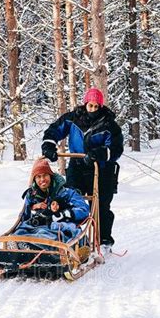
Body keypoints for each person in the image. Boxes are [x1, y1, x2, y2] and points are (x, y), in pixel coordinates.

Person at [41, 87, 123, 248]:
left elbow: (116, 148)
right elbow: (54, 131)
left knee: (100, 206)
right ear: (85, 104)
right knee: (70, 201)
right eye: (90, 105)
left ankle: (104, 241)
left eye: (96, 106)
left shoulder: (108, 124)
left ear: (100, 107)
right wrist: (49, 146)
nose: (92, 109)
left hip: (101, 169)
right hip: (77, 166)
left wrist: (99, 153)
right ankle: (70, 237)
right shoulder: (72, 119)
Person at [15, 157, 89, 242]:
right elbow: (25, 217)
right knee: (21, 232)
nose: (42, 179)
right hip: (37, 226)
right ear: (35, 179)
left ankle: (38, 246)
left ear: (50, 175)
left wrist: (64, 214)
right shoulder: (31, 194)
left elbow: (84, 210)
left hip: (60, 227)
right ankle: (22, 245)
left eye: (45, 175)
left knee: (48, 235)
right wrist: (33, 208)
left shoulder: (66, 192)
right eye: (38, 177)